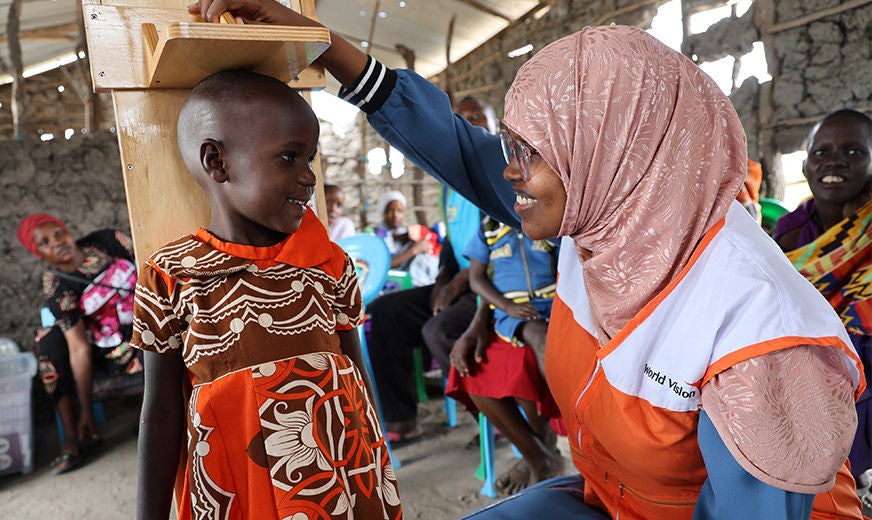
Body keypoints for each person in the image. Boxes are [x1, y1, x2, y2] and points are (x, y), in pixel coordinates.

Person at [190, 3, 866, 519]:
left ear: (613, 152)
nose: (510, 174)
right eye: (512, 147)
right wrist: (319, 42)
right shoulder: (608, 220)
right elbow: (456, 146)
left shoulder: (756, 334)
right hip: (616, 499)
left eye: (530, 152)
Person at [130, 70, 401, 520]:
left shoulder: (329, 264)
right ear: (217, 162)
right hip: (239, 491)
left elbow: (355, 377)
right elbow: (160, 413)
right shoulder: (171, 275)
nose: (308, 177)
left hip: (342, 485)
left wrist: (377, 465)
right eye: (289, 158)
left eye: (310, 159)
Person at [363, 96, 494, 443]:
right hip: (462, 284)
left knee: (439, 330)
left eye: (478, 117)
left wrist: (458, 284)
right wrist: (441, 281)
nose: (470, 126)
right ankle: (401, 419)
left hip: (494, 288)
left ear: (493, 125)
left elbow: (502, 243)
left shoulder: (500, 173)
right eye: (462, 120)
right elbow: (451, 242)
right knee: (384, 312)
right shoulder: (450, 184)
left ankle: (493, 419)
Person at [774, 109, 872, 490]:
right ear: (804, 166)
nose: (834, 161)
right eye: (821, 153)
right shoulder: (790, 231)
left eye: (853, 152)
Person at [17, 213, 142, 475]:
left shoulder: (107, 241)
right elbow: (78, 347)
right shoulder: (57, 285)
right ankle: (74, 437)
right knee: (48, 339)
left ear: (67, 230)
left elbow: (149, 262)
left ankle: (152, 419)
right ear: (38, 253)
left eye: (58, 233)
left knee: (153, 335)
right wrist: (86, 409)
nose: (57, 242)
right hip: (114, 349)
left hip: (151, 319)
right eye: (45, 242)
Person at [447, 215, 564, 495]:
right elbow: (477, 279)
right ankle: (538, 455)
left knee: (535, 349)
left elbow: (568, 270)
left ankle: (550, 441)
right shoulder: (489, 229)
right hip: (508, 315)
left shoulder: (550, 221)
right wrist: (506, 306)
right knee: (473, 369)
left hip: (552, 309)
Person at [372, 189, 439, 288]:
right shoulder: (375, 236)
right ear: (383, 212)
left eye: (400, 211)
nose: (395, 215)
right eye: (390, 210)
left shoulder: (407, 234)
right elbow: (381, 266)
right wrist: (414, 250)